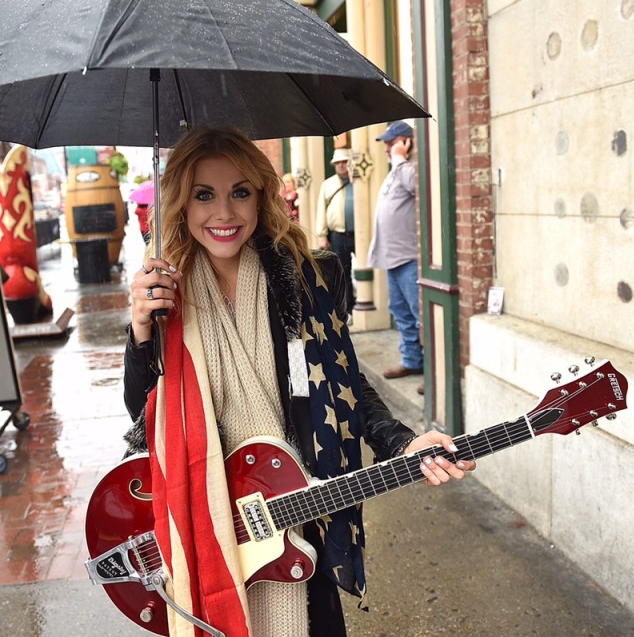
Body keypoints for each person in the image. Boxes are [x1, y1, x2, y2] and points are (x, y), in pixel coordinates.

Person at [123, 126, 474, 637]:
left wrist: (402, 442)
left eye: (240, 192)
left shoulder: (303, 277)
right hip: (207, 529)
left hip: (299, 519)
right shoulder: (163, 291)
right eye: (205, 195)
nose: (224, 213)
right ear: (181, 203)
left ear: (261, 197)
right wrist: (139, 331)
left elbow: (346, 383)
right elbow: (141, 414)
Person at [368, 120, 424, 380]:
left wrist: (400, 159)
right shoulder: (396, 170)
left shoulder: (409, 168)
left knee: (419, 315)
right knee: (401, 312)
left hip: (409, 256)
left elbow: (417, 187)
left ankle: (431, 371)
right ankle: (412, 360)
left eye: (392, 143)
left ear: (406, 142)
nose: (387, 149)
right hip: (394, 257)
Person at [315, 149, 356, 310]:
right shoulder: (328, 184)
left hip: (359, 234)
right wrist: (321, 235)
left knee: (366, 269)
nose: (341, 165)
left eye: (344, 162)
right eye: (337, 163)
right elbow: (321, 210)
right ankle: (348, 308)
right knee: (343, 272)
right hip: (338, 235)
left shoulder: (358, 181)